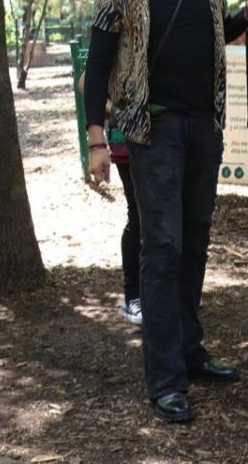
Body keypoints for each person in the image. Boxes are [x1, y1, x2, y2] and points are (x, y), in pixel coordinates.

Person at [83, 0, 248, 423]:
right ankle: (163, 379)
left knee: (192, 242)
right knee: (161, 248)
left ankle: (190, 355)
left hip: (204, 128)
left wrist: (245, 16)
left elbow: (215, 37)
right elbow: (98, 63)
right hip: (151, 129)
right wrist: (98, 139)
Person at [78, 72, 143, 325]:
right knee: (138, 215)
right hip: (128, 140)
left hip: (167, 139)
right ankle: (133, 297)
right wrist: (114, 108)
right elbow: (86, 81)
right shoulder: (120, 35)